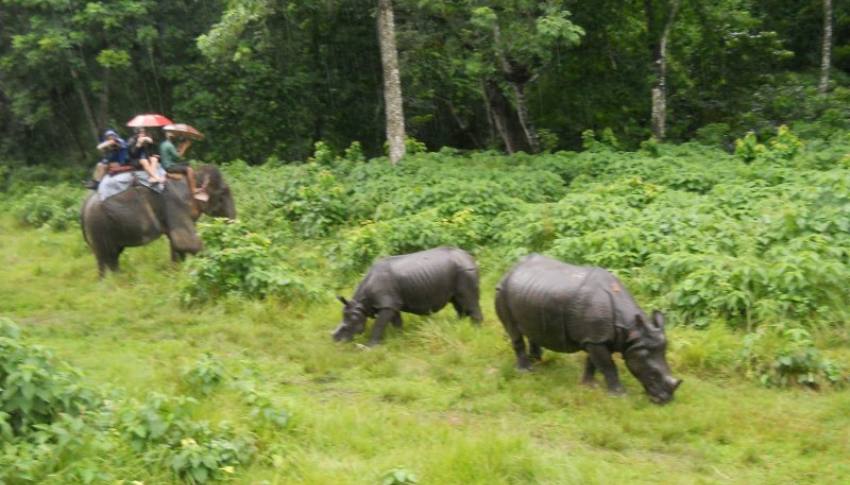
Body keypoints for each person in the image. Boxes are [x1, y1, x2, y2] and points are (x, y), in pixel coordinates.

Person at [160, 130, 205, 199]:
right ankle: (193, 189)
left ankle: (187, 183)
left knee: (188, 163)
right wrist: (185, 147)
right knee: (189, 169)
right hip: (170, 166)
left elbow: (173, 154)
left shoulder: (164, 144)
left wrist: (180, 147)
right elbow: (178, 157)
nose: (173, 134)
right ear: (166, 135)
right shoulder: (169, 145)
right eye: (171, 133)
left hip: (167, 165)